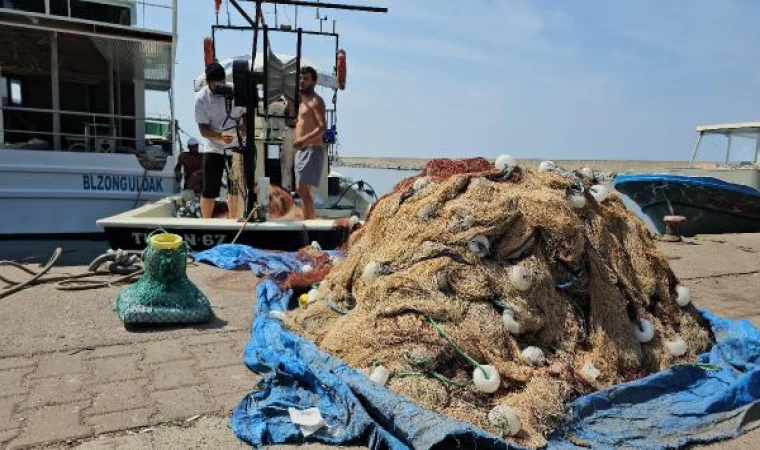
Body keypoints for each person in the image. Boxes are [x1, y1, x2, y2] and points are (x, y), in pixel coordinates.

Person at [194, 62, 246, 219]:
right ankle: (205, 221)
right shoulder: (201, 99)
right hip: (213, 146)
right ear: (208, 82)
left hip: (236, 146)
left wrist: (243, 129)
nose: (221, 87)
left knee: (234, 187)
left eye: (223, 83)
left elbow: (245, 114)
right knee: (210, 188)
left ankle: (233, 220)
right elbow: (203, 130)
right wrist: (220, 137)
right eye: (217, 85)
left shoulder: (236, 91)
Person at [294, 66, 326, 220]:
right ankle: (308, 219)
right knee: (302, 189)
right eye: (300, 78)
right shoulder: (302, 101)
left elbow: (322, 127)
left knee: (302, 189)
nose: (302, 81)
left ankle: (309, 221)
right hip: (302, 150)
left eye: (306, 78)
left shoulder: (316, 101)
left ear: (314, 81)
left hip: (311, 149)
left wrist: (303, 139)